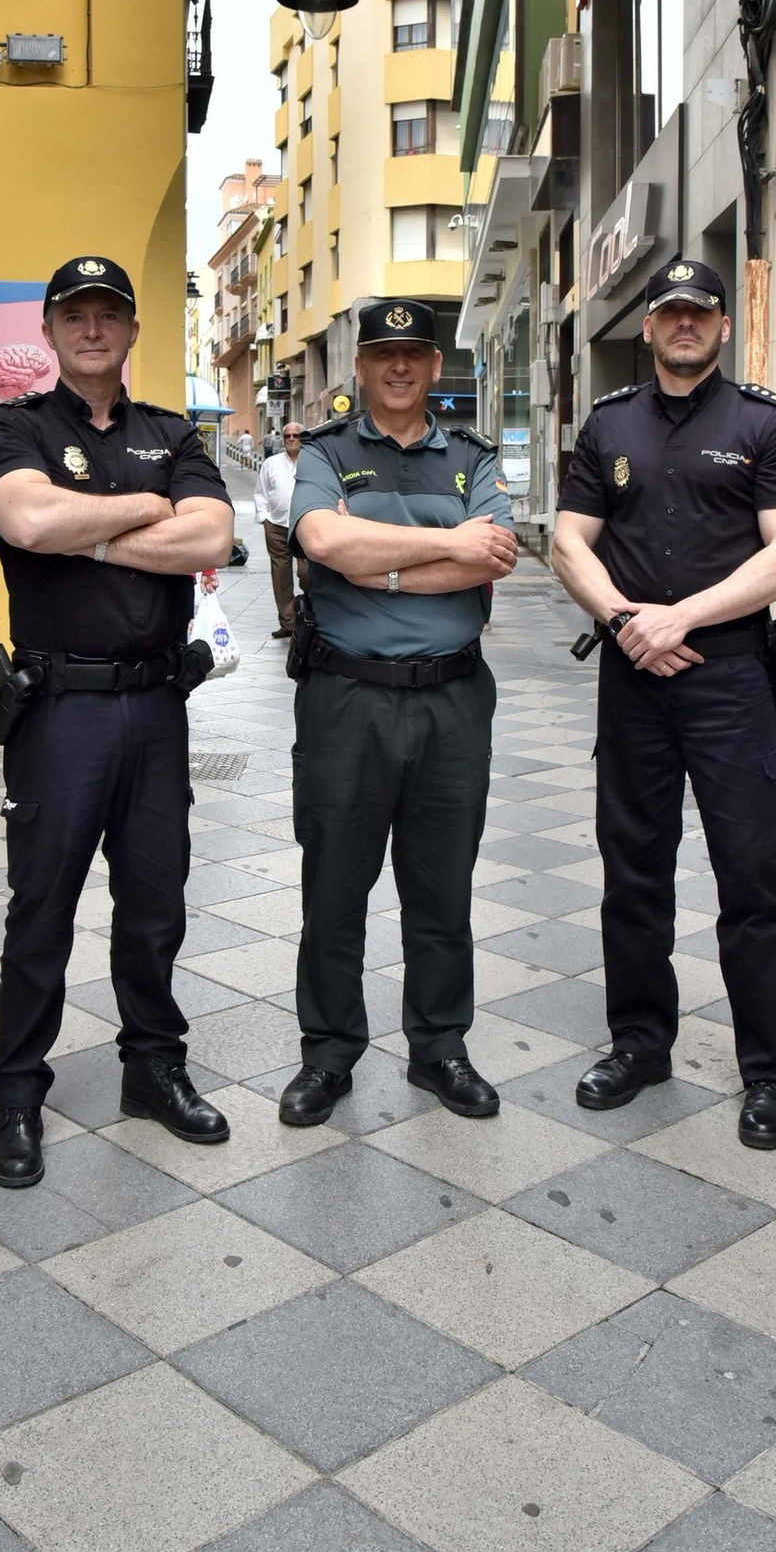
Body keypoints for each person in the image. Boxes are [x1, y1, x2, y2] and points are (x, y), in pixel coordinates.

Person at [0, 254, 236, 1187]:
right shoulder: (15, 429)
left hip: (158, 707)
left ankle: (152, 1068)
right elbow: (27, 525)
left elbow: (211, 538)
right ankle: (17, 1093)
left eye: (108, 315)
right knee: (42, 904)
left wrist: (86, 523)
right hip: (60, 712)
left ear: (131, 332)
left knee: (156, 901)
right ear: (48, 331)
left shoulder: (174, 430)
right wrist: (142, 511)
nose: (91, 328)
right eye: (73, 314)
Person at [551, 257, 776, 1151]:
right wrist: (628, 620)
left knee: (749, 874)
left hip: (730, 678)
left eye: (699, 312)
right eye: (670, 313)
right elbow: (567, 541)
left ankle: (769, 1074)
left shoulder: (766, 425)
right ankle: (640, 1045)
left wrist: (681, 619)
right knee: (633, 872)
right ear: (650, 326)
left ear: (721, 325)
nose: (684, 324)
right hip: (633, 678)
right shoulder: (608, 424)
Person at [279, 299, 517, 1127]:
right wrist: (449, 543)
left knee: (442, 890)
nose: (400, 368)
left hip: (454, 699)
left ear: (435, 366)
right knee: (335, 887)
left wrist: (378, 557)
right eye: (385, 355)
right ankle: (329, 1053)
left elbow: (494, 558)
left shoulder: (473, 455)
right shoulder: (329, 452)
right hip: (346, 700)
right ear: (361, 367)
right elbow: (323, 544)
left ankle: (440, 1048)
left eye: (415, 353)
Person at [253, 420, 306, 637]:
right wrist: (264, 518)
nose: (292, 439)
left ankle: (313, 615)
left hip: (305, 524)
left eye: (296, 435)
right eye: (287, 436)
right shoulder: (271, 463)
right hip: (276, 524)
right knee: (281, 574)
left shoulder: (313, 462)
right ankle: (288, 623)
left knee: (308, 573)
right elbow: (260, 492)